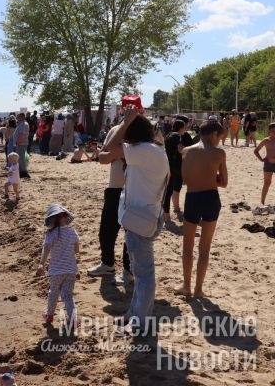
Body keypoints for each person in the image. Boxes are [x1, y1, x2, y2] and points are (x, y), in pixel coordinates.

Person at [97, 106, 168, 334]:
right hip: (143, 217)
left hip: (141, 219)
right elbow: (105, 156)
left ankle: (139, 321)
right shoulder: (150, 150)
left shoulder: (146, 150)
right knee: (140, 273)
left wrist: (125, 122)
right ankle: (134, 314)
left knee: (144, 275)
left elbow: (108, 148)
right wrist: (129, 122)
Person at [176, 122, 227, 299]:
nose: (219, 141)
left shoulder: (186, 151)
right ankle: (198, 289)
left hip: (193, 198)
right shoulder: (219, 153)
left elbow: (184, 179)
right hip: (211, 198)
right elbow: (224, 183)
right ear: (214, 134)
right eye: (219, 137)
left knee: (188, 245)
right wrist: (212, 178)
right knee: (204, 247)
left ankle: (186, 286)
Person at [87, 118, 131, 285]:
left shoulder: (144, 130)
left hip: (135, 190)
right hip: (115, 188)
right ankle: (107, 264)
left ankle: (129, 271)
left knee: (131, 234)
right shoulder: (116, 130)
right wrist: (118, 153)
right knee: (106, 231)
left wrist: (118, 153)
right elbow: (103, 158)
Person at [36, 204, 79, 325]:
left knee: (53, 293)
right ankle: (73, 318)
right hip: (71, 269)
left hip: (56, 271)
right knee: (68, 295)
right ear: (66, 217)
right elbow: (77, 250)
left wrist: (41, 264)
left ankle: (49, 315)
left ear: (52, 220)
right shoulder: (72, 232)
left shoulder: (51, 234)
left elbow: (46, 250)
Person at [163, 120, 186, 222]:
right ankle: (166, 214)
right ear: (181, 127)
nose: (185, 128)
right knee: (169, 190)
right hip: (172, 165)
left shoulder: (169, 134)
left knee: (167, 190)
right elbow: (180, 149)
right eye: (184, 126)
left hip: (166, 163)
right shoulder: (177, 136)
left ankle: (165, 213)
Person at [254, 122, 275, 205]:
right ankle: (262, 202)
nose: (274, 132)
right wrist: (261, 159)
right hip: (268, 164)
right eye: (273, 131)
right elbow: (256, 151)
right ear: (269, 131)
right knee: (267, 183)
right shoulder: (266, 140)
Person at [14, 113, 30, 178]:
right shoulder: (22, 124)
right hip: (21, 143)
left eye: (17, 116)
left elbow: (22, 134)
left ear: (21, 117)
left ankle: (23, 172)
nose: (16, 118)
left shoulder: (23, 124)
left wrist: (17, 142)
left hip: (21, 144)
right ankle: (22, 171)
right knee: (21, 157)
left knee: (21, 158)